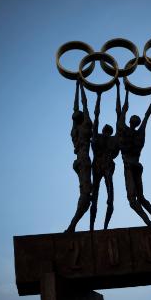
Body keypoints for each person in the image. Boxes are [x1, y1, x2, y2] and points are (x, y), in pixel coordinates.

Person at [117, 89, 151, 226]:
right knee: (141, 197)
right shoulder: (140, 133)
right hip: (137, 165)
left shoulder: (124, 131)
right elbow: (147, 115)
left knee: (132, 200)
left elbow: (122, 111)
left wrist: (124, 90)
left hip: (129, 166)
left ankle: (149, 222)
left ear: (131, 121)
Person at [89, 82, 121, 230]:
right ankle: (102, 227)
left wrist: (99, 96)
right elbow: (118, 115)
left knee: (98, 197)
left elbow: (96, 117)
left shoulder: (106, 138)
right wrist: (118, 89)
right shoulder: (111, 139)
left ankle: (96, 227)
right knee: (107, 197)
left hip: (102, 165)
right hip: (103, 164)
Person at [65, 81, 93, 232]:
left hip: (78, 161)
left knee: (86, 193)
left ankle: (72, 225)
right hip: (84, 161)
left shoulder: (74, 130)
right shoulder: (84, 127)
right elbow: (85, 105)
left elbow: (76, 107)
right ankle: (72, 226)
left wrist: (77, 86)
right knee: (86, 196)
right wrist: (81, 87)